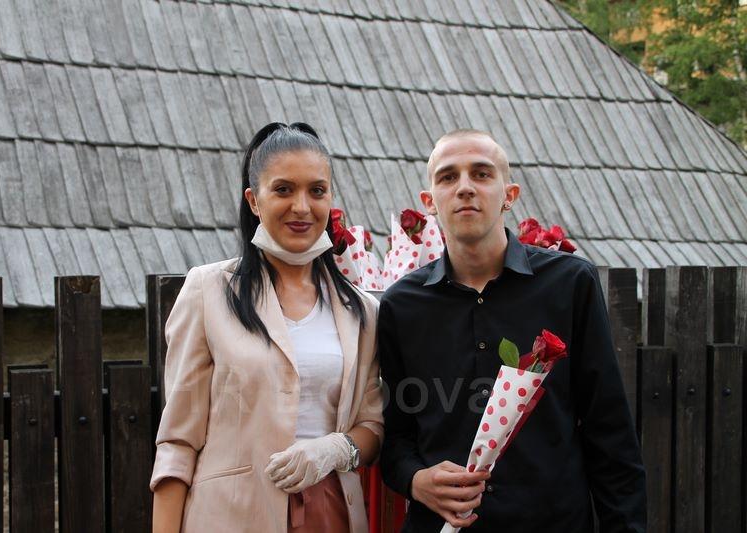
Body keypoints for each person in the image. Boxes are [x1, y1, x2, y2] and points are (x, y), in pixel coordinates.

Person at [378, 129, 646, 532]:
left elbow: (609, 431)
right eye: (448, 177)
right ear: (429, 201)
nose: (465, 187)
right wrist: (415, 481)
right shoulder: (401, 305)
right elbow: (395, 435)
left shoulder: (570, 284)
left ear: (510, 195)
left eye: (481, 174)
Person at [150, 122, 384, 533]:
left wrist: (335, 449)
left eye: (317, 191)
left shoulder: (361, 309)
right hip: (230, 516)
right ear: (254, 200)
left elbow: (372, 426)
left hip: (330, 512)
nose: (301, 207)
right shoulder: (208, 291)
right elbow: (177, 442)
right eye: (283, 190)